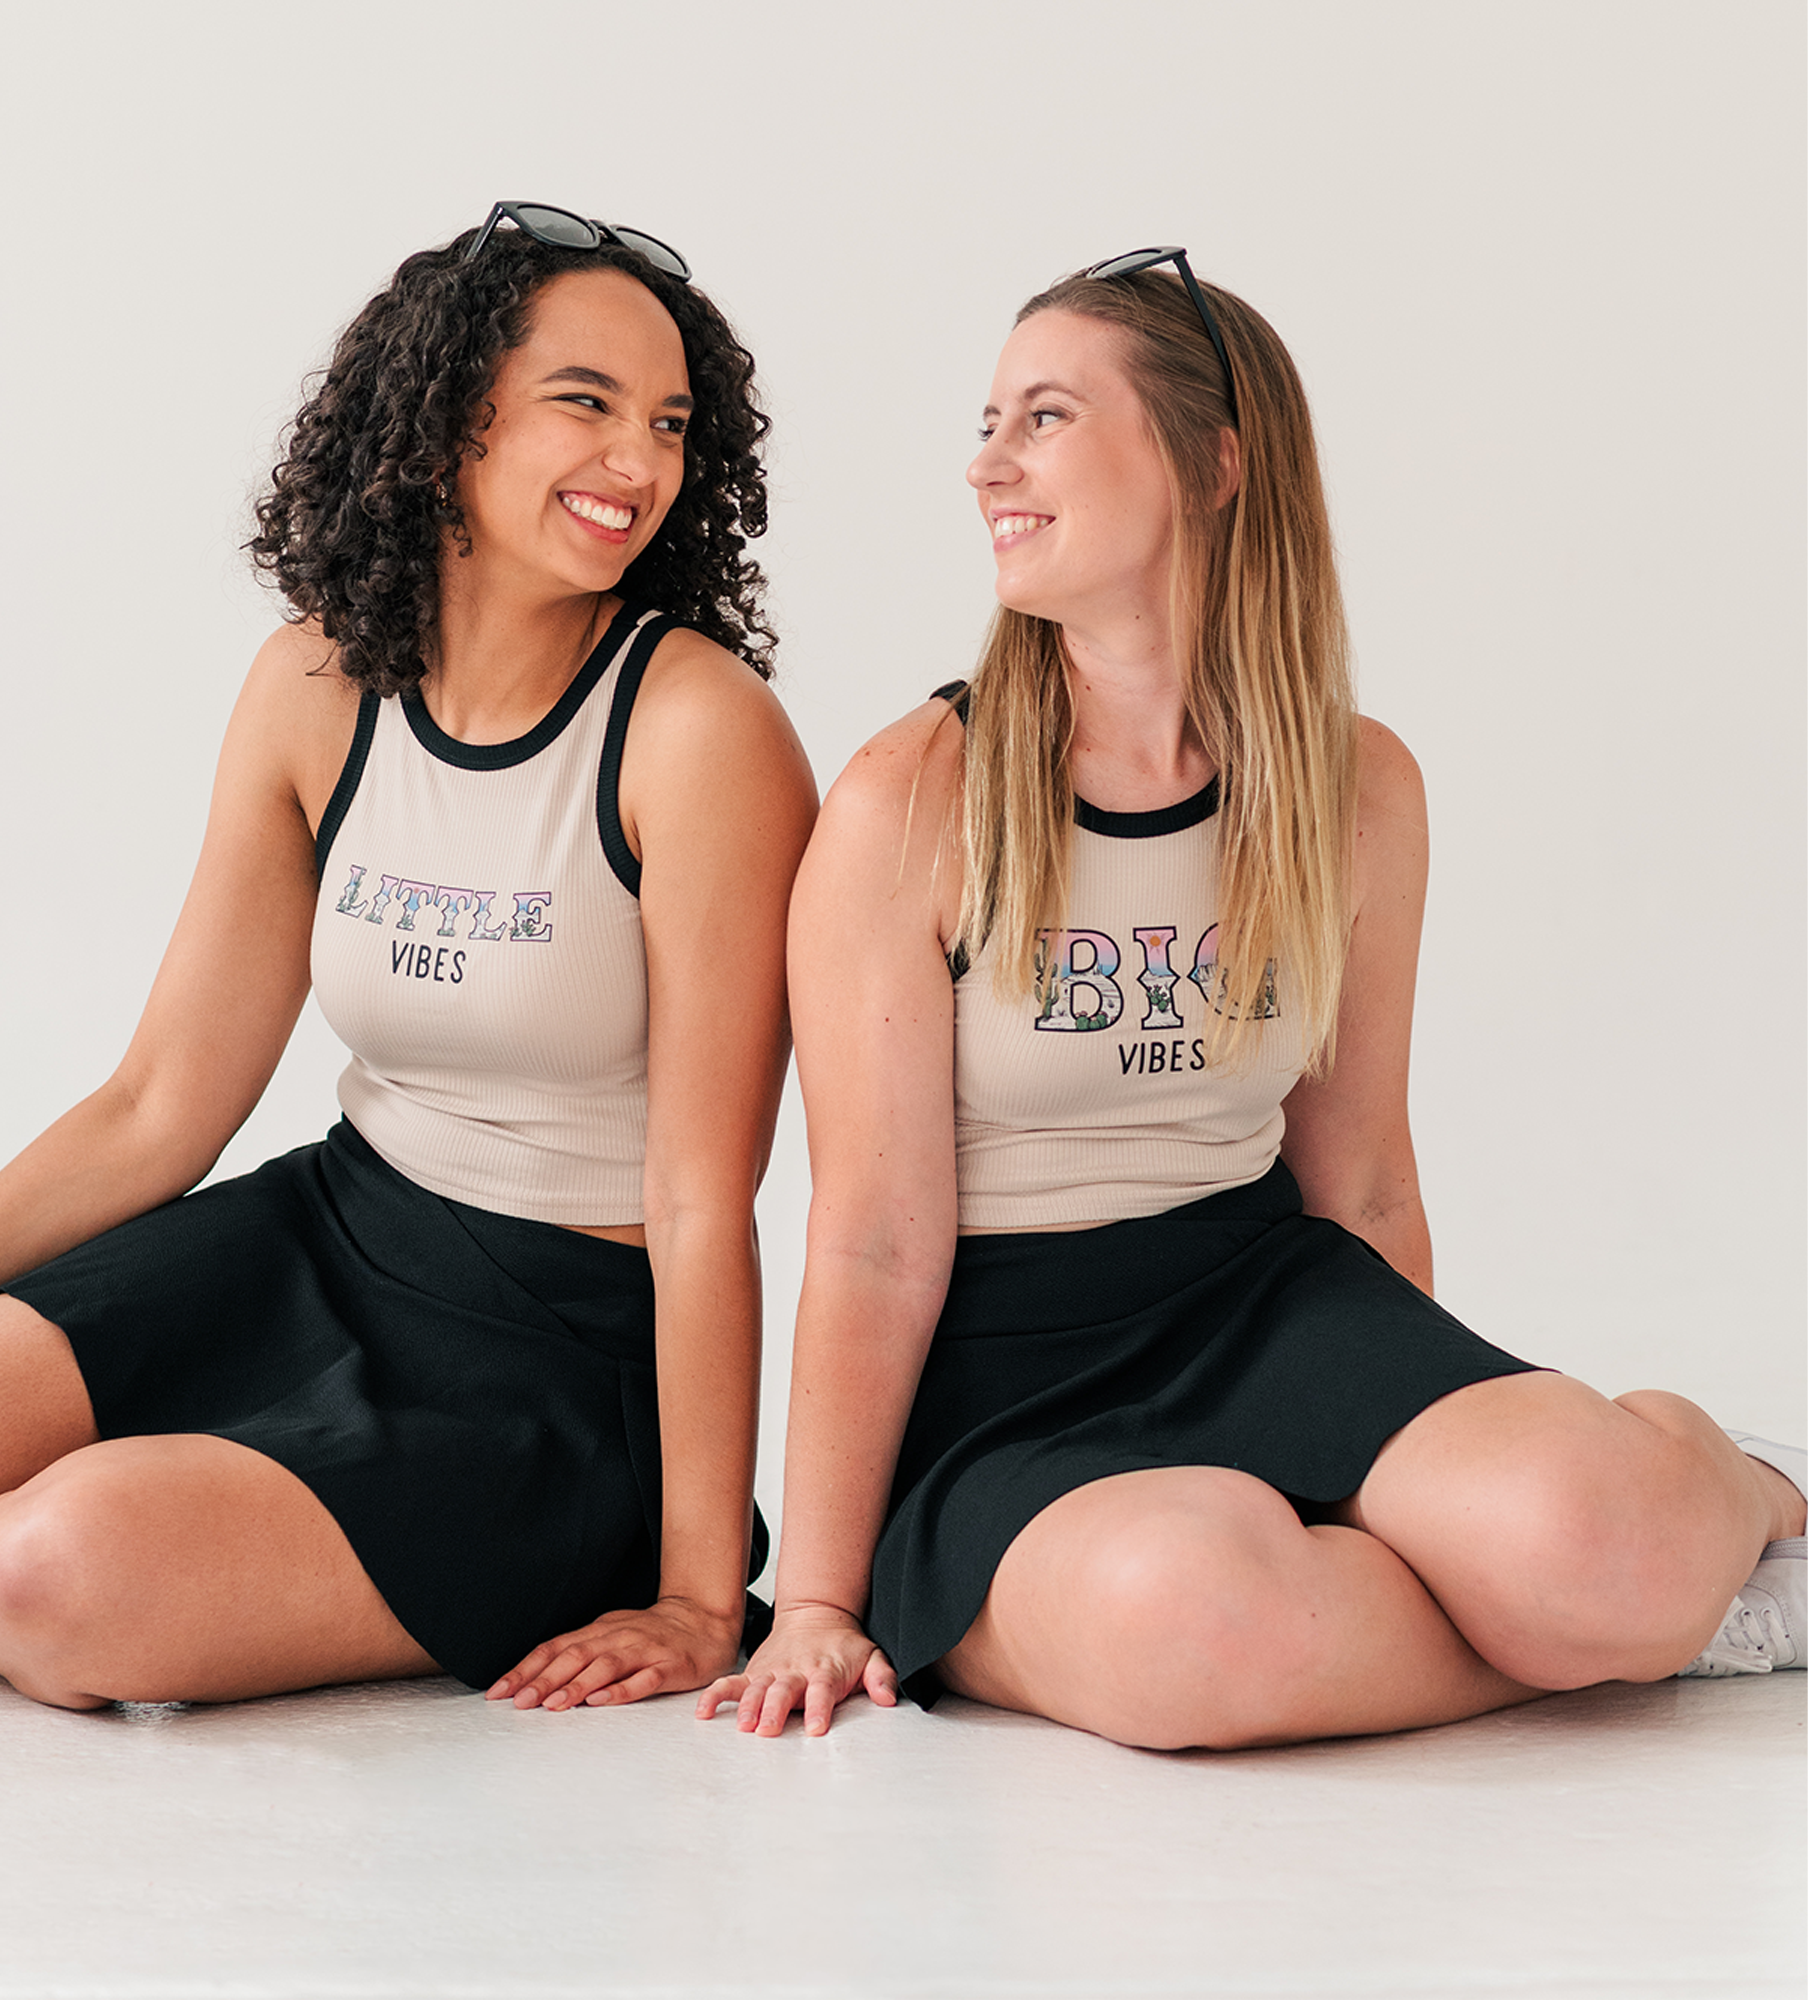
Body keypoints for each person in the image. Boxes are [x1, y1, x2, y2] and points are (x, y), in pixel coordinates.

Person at [699, 248, 1808, 1749]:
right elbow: (878, 1238)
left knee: (1594, 1538)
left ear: (1215, 462)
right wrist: (817, 1599)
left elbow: (1359, 1175)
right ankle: (1624, 1630)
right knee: (1192, 1624)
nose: (985, 464)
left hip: (1268, 1301)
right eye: (989, 418)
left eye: (1044, 417)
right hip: (1005, 1381)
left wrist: (1420, 1466)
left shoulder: (1358, 790)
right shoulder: (914, 803)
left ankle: (1726, 1497)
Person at [0, 204, 816, 1714]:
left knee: (46, 1577)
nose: (639, 461)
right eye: (584, 404)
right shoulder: (312, 685)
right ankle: (90, 1526)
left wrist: (693, 1593)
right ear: (448, 414)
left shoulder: (695, 732)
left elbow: (699, 1194)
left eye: (668, 422)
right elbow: (157, 1105)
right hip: (329, 1235)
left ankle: (118, 1542)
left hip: (555, 1353)